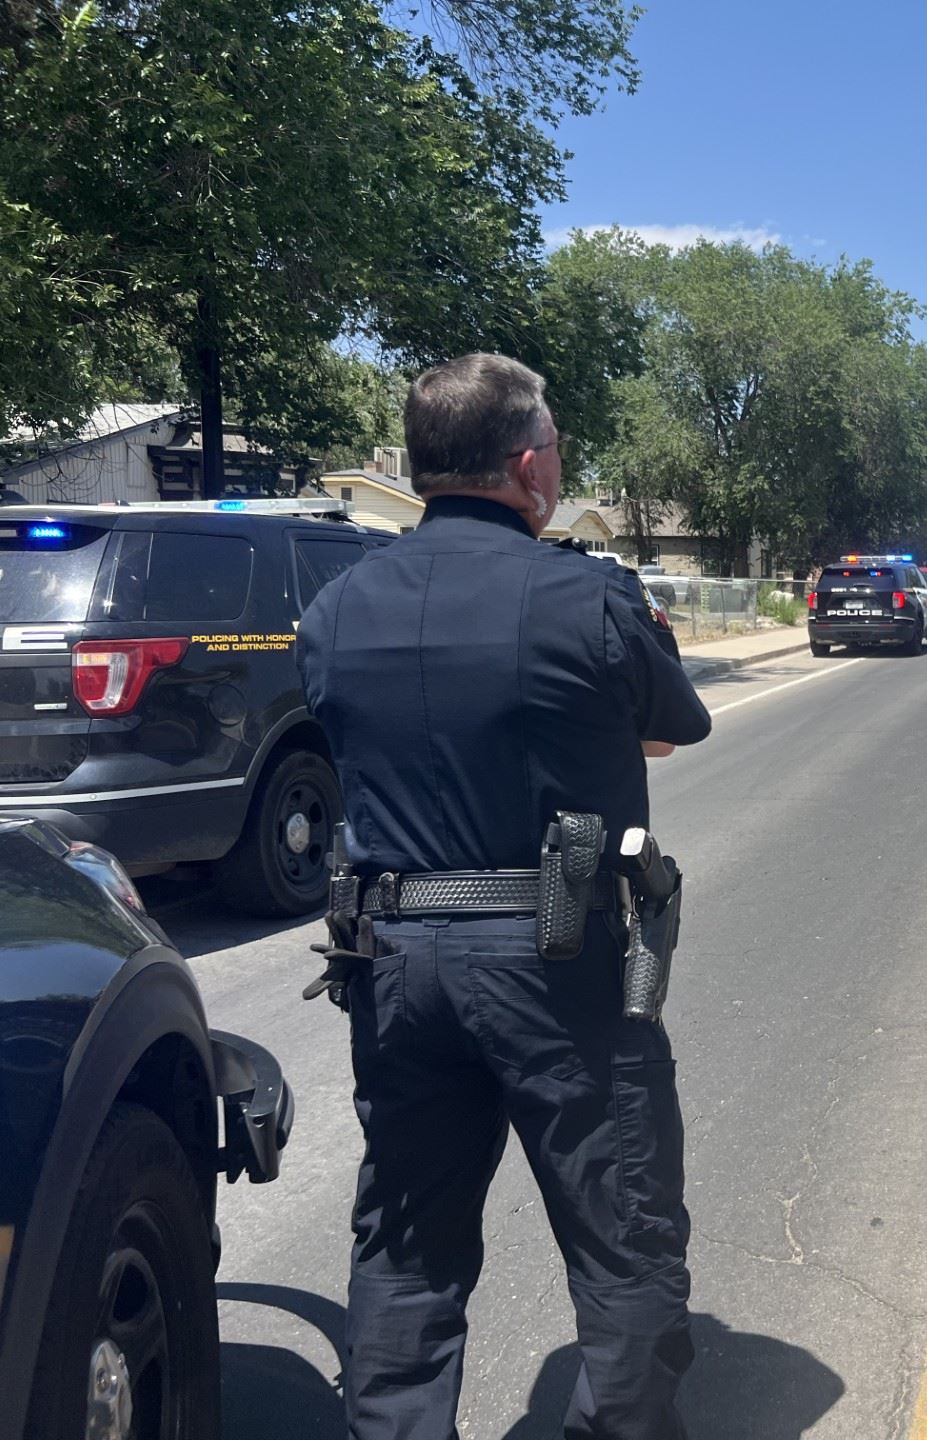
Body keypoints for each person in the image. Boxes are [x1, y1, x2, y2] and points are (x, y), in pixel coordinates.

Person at [297, 353, 713, 1440]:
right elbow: (669, 727)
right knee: (622, 1230)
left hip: (389, 960)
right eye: (558, 450)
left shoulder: (337, 604)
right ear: (529, 465)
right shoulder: (589, 596)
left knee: (406, 1243)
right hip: (555, 958)